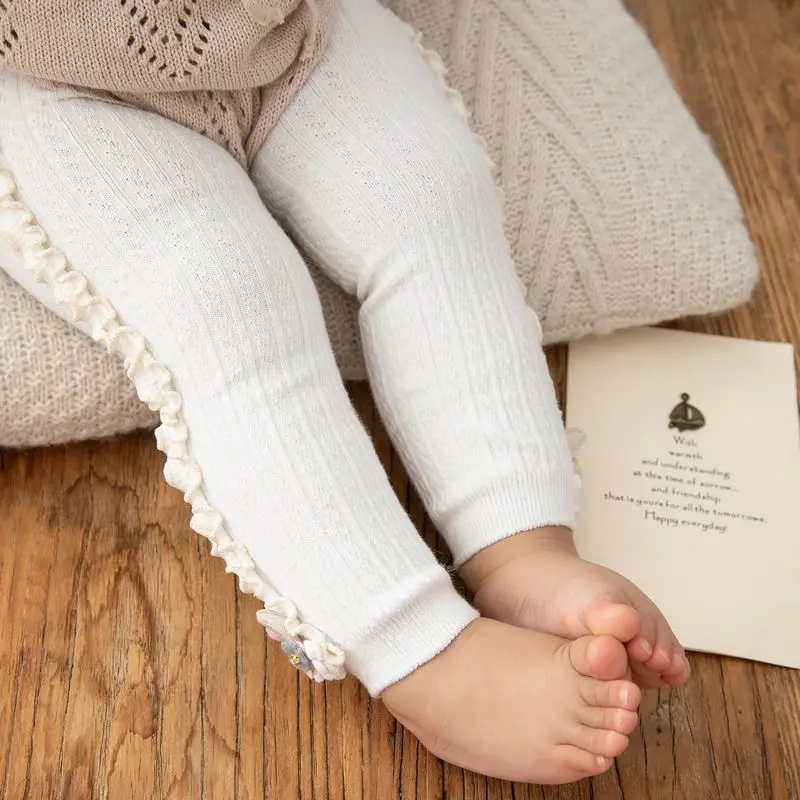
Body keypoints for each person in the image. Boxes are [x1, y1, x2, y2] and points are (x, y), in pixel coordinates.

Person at [0, 0, 689, 785]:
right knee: (228, 302)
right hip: (53, 79)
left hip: (285, 26)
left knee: (427, 199)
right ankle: (420, 652)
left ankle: (520, 544)